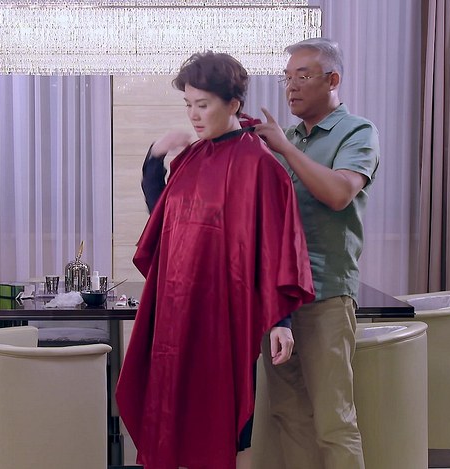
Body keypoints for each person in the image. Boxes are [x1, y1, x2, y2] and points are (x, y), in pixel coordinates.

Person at [116, 51, 315, 469]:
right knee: (170, 407)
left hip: (225, 314)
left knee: (218, 415)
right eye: (188, 104)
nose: (193, 115)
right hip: (176, 309)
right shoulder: (192, 157)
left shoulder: (260, 166)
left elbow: (277, 245)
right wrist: (154, 159)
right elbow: (164, 218)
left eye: (202, 105)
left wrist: (281, 321)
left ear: (233, 104)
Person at [250, 38, 380, 469]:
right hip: (280, 299)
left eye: (303, 76)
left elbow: (339, 194)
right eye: (287, 78)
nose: (291, 87)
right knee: (290, 417)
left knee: (333, 421)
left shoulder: (358, 131)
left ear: (333, 79)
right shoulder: (285, 139)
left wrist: (283, 150)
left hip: (326, 294)